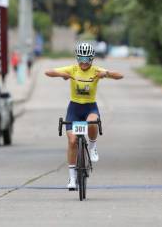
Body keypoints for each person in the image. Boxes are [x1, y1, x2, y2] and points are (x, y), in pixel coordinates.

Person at [45, 42, 124, 189]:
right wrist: (61, 74)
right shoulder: (72, 69)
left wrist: (105, 74)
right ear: (77, 58)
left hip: (90, 107)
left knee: (93, 122)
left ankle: (93, 146)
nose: (83, 62)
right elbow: (47, 72)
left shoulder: (95, 71)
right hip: (74, 108)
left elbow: (120, 75)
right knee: (73, 140)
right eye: (81, 58)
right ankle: (72, 179)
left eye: (87, 59)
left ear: (92, 59)